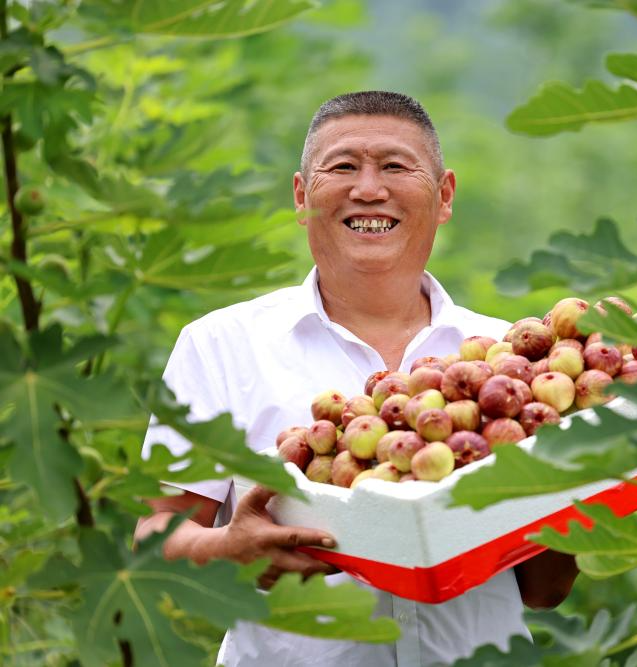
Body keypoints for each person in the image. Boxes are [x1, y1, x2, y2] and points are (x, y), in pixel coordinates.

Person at [134, 91, 579, 666]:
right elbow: (154, 538)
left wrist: (580, 484)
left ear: (444, 196)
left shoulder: (511, 363)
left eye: (395, 166)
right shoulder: (221, 346)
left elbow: (545, 590)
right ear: (302, 196)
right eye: (343, 167)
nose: (369, 189)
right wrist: (227, 550)